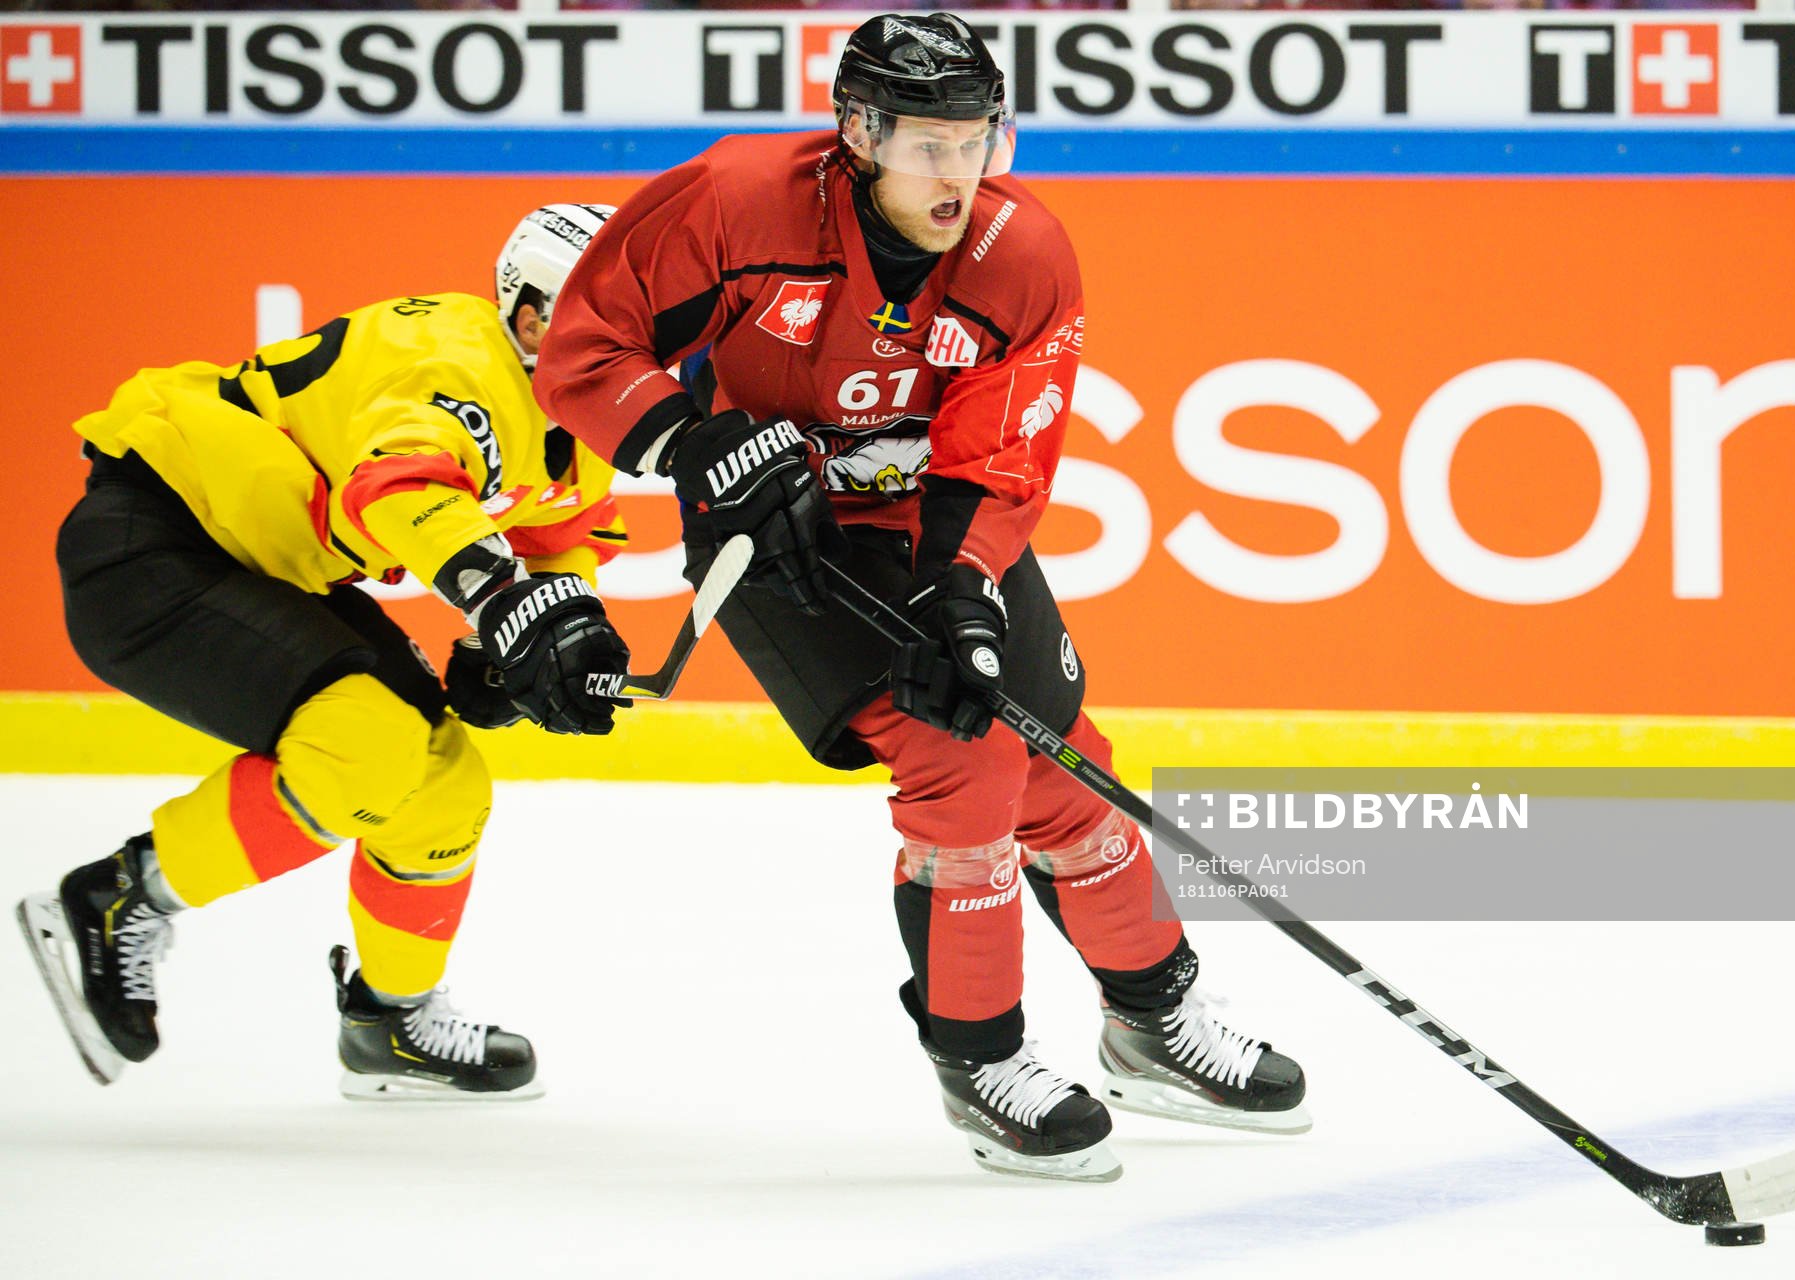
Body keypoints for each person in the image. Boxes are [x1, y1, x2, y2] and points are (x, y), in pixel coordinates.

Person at [535, 15, 1309, 1179]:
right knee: (966, 764)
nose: (960, 172)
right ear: (859, 132)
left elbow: (1002, 449)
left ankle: (1151, 1019)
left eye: (979, 139)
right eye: (931, 146)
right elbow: (586, 350)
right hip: (777, 535)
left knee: (1063, 759)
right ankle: (978, 1052)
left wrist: (964, 594)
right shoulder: (738, 197)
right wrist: (697, 446)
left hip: (927, 524)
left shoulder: (1025, 250)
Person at [17, 204, 635, 1100]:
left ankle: (390, 1021)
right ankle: (123, 895)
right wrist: (507, 606)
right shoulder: (455, 365)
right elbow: (401, 488)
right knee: (369, 742)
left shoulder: (569, 404)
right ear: (535, 316)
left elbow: (563, 526)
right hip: (151, 548)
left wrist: (537, 625)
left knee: (442, 786)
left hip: (255, 561)